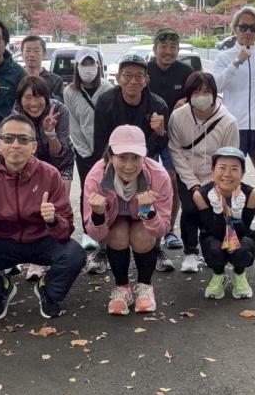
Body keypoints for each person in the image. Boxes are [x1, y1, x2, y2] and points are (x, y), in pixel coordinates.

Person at [0, 114, 85, 320]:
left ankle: (48, 291)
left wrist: (52, 220)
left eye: (23, 139)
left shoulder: (50, 175)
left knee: (74, 255)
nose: (15, 145)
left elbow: (66, 230)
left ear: (34, 146)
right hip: (0, 242)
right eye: (8, 139)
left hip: (41, 240)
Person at [93, 53, 171, 272]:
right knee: (103, 200)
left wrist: (159, 132)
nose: (133, 81)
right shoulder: (106, 101)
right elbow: (101, 140)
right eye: (127, 75)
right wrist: (108, 167)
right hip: (112, 159)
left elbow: (159, 145)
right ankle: (102, 248)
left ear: (146, 80)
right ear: (118, 78)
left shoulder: (158, 105)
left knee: (151, 200)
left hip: (144, 160)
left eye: (139, 76)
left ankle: (156, 245)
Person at [83, 125, 172, 315]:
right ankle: (122, 288)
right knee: (117, 233)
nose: (129, 166)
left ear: (145, 156)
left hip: (142, 222)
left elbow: (162, 229)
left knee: (143, 235)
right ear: (110, 156)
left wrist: (149, 212)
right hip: (115, 222)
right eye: (122, 157)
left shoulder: (159, 176)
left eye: (136, 157)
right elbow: (95, 234)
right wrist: (98, 214)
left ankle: (145, 286)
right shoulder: (96, 177)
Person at [168, 72, 239, 273]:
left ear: (214, 93)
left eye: (206, 91)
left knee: (214, 212)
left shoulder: (228, 121)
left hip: (215, 176)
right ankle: (190, 252)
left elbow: (230, 156)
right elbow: (175, 149)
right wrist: (192, 183)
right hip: (187, 173)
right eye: (196, 92)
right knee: (190, 209)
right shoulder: (178, 116)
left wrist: (215, 183)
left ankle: (213, 250)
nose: (201, 96)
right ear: (188, 95)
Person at [12, 75, 75, 281]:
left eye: (38, 97)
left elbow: (60, 153)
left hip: (61, 163)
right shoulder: (17, 114)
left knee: (58, 209)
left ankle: (60, 254)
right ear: (20, 99)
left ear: (46, 97)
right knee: (34, 208)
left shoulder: (59, 110)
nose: (33, 103)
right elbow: (19, 149)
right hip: (32, 164)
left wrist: (50, 133)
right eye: (27, 97)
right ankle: (36, 260)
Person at [209, 6, 255, 173]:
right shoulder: (224, 57)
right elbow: (216, 86)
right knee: (229, 176)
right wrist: (236, 63)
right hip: (233, 125)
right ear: (235, 28)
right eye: (243, 27)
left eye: (253, 28)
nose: (248, 32)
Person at [146, 28, 194, 252]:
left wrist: (187, 101)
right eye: (163, 47)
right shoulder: (145, 70)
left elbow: (198, 95)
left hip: (175, 134)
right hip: (147, 134)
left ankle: (169, 229)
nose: (168, 51)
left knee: (172, 181)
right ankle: (148, 227)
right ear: (155, 49)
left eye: (173, 47)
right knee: (147, 181)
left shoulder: (186, 72)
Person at [63, 47, 112, 260]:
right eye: (84, 64)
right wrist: (85, 152)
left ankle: (107, 229)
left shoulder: (108, 89)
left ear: (99, 66)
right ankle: (87, 230)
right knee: (88, 190)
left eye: (92, 63)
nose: (88, 68)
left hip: (108, 150)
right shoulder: (69, 91)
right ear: (77, 67)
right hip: (83, 150)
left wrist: (107, 152)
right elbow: (73, 124)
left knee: (109, 189)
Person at [194, 147, 255, 300]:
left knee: (241, 248)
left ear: (242, 173)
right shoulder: (201, 195)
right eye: (222, 168)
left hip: (241, 236)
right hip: (213, 235)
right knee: (214, 246)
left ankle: (239, 274)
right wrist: (218, 210)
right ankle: (218, 275)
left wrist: (236, 213)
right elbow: (215, 231)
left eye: (234, 169)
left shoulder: (252, 194)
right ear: (213, 170)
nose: (227, 174)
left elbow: (242, 232)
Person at [20, 34, 64, 101]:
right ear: (22, 54)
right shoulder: (16, 77)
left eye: (36, 51)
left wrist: (40, 86)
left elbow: (58, 104)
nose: (31, 54)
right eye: (28, 51)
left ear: (44, 54)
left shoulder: (56, 80)